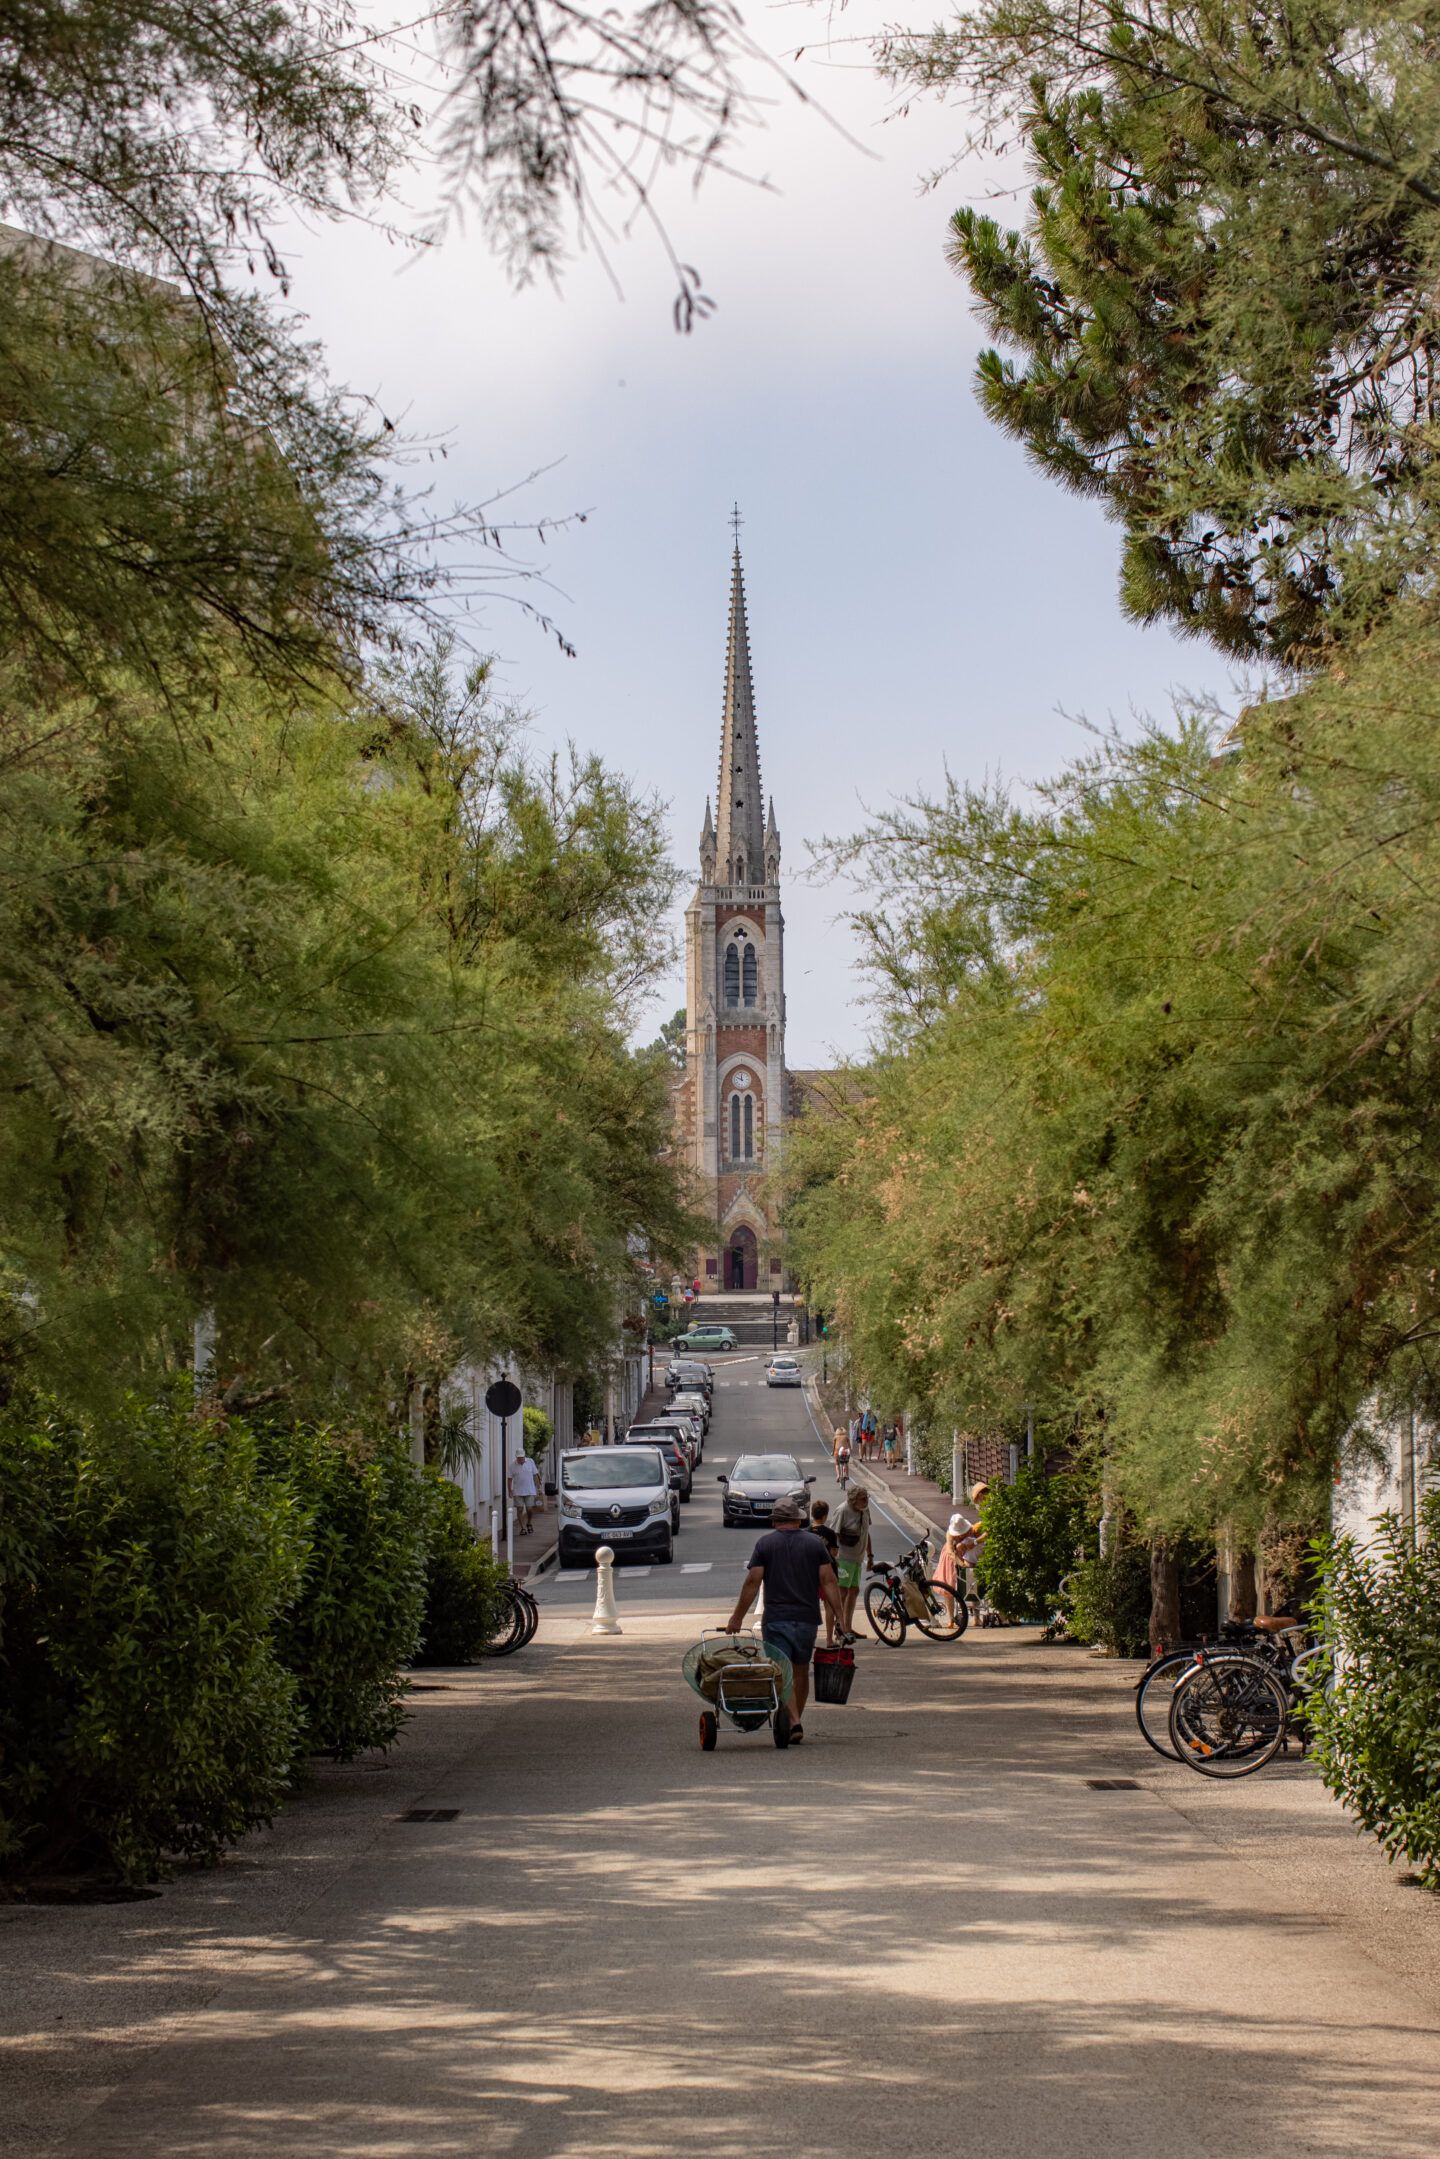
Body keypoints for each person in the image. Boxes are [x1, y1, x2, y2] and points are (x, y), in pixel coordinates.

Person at [725, 1496, 847, 1743]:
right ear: (797, 1520)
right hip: (807, 1620)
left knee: (782, 1671)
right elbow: (829, 1581)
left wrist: (736, 1617)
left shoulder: (765, 1544)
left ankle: (794, 1721)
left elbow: (752, 1581)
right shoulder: (814, 1544)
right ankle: (794, 1723)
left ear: (775, 1522)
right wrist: (842, 1620)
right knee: (801, 1671)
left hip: (777, 1620)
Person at [833, 1484, 874, 1635]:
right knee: (842, 1592)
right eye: (863, 1499)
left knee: (854, 1591)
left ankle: (847, 1627)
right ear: (853, 1500)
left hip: (858, 1558)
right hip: (843, 1558)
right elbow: (834, 1535)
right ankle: (840, 1627)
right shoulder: (843, 1511)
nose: (866, 1501)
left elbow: (866, 1533)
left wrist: (870, 1556)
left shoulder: (865, 1510)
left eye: (866, 1498)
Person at [809, 1500, 841, 1645]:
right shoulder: (830, 1533)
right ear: (825, 1516)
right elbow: (834, 1553)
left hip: (810, 1573)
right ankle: (829, 1639)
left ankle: (810, 1638)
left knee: (810, 1605)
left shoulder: (806, 1532)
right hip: (828, 1573)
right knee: (830, 1607)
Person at [508, 1448, 540, 1535]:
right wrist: (509, 1490)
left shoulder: (530, 1462)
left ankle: (529, 1523)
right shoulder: (512, 1466)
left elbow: (535, 1475)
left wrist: (538, 1488)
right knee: (520, 1509)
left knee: (529, 1509)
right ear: (516, 1457)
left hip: (530, 1490)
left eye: (522, 1457)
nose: (520, 1459)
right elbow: (510, 1479)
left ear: (524, 1456)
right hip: (518, 1491)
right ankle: (522, 1528)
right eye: (519, 1458)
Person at [832, 1424, 851, 1488]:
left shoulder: (835, 1437)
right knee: (846, 1462)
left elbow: (834, 1447)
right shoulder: (846, 1437)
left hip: (837, 1452)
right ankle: (846, 1475)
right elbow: (849, 1445)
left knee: (837, 1464)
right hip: (845, 1452)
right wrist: (850, 1451)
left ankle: (838, 1475)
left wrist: (832, 1452)